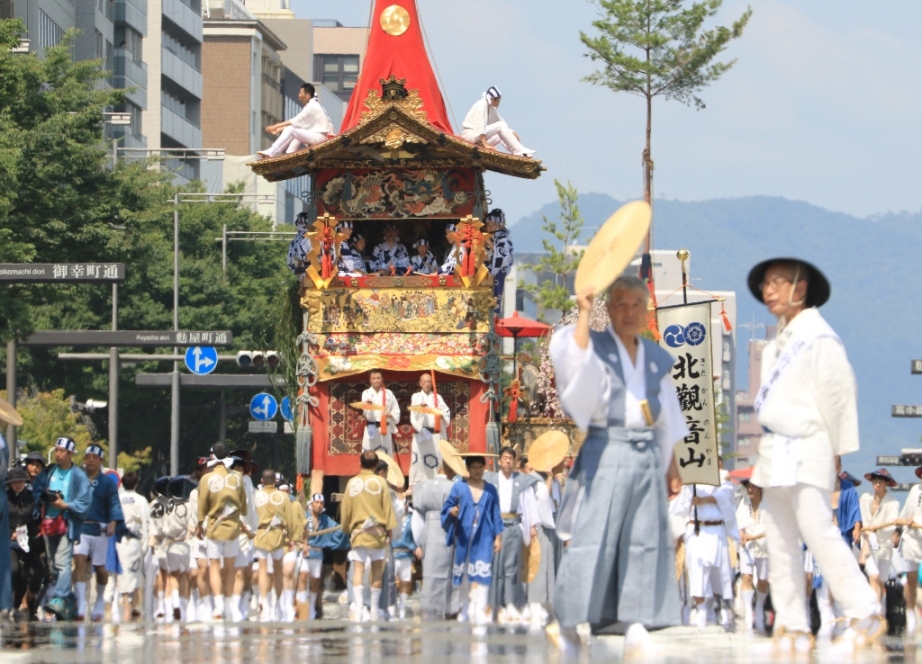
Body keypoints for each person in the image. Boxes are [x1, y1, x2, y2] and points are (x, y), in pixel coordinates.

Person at [746, 257, 883, 651]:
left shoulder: (819, 336)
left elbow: (840, 394)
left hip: (809, 444)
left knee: (818, 529)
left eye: (777, 283)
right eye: (766, 285)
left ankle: (864, 608)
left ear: (799, 289)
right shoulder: (776, 345)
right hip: (776, 449)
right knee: (779, 536)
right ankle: (791, 622)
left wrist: (836, 449)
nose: (768, 291)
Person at [547, 275, 687, 654]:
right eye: (620, 304)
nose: (628, 312)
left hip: (647, 453)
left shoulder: (655, 357)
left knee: (644, 537)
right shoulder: (595, 346)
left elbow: (666, 413)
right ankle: (570, 618)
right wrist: (583, 311)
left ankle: (637, 621)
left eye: (636, 305)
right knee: (593, 536)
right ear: (609, 309)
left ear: (646, 312)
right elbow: (572, 363)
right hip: (607, 448)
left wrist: (672, 462)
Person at [31, 436, 92, 621]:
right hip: (49, 523)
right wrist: (45, 497)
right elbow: (36, 490)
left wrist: (65, 505)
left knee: (62, 562)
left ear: (71, 453)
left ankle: (60, 597)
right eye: (56, 450)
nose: (57, 454)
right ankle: (69, 601)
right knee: (53, 565)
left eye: (62, 451)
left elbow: (85, 502)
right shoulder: (49, 471)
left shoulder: (79, 475)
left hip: (67, 523)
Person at [671, 473, 740, 631]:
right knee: (697, 570)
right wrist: (686, 491)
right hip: (696, 530)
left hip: (716, 529)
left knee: (717, 573)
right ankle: (700, 610)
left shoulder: (722, 476)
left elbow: (726, 495)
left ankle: (711, 607)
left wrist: (705, 500)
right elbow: (679, 507)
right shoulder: (688, 478)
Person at [441, 454, 503, 625]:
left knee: (482, 573)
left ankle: (480, 608)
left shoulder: (491, 489)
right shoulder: (459, 488)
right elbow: (447, 508)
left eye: (480, 467)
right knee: (464, 574)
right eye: (473, 467)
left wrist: (498, 536)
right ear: (467, 469)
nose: (477, 471)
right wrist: (452, 512)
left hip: (484, 534)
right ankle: (465, 607)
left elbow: (495, 513)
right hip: (464, 534)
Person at [484, 447, 540, 623]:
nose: (508, 461)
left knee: (511, 567)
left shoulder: (522, 482)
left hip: (514, 524)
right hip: (495, 524)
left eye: (511, 458)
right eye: (505, 458)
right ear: (499, 461)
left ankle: (510, 603)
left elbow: (529, 504)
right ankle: (493, 603)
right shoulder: (490, 480)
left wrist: (532, 525)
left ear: (515, 462)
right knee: (494, 565)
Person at [341, 450, 397, 622]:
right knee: (377, 572)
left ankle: (358, 608)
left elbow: (346, 510)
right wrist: (390, 532)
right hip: (377, 534)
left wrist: (346, 528)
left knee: (358, 570)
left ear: (360, 463)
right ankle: (373, 609)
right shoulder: (381, 483)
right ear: (375, 465)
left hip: (358, 534)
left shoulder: (352, 483)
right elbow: (387, 510)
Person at [195, 445, 249, 621]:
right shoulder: (238, 478)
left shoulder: (206, 479)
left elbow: (202, 505)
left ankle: (217, 606)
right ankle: (228, 604)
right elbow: (243, 505)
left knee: (215, 567)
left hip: (214, 527)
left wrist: (199, 524)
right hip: (232, 527)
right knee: (230, 568)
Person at [412, 441, 464, 620]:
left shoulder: (424, 487)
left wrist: (418, 542)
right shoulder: (454, 488)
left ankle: (429, 606)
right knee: (447, 569)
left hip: (428, 529)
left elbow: (416, 517)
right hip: (446, 528)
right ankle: (448, 607)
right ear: (450, 471)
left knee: (430, 570)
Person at [72, 444, 124, 621]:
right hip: (81, 528)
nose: (90, 460)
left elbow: (114, 504)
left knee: (100, 568)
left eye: (94, 457)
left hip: (100, 529)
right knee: (79, 561)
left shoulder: (108, 483)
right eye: (88, 457)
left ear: (101, 460)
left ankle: (100, 599)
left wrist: (114, 522)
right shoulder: (77, 478)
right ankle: (80, 604)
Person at [254, 468, 305, 622]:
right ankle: (276, 604)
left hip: (261, 534)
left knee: (263, 569)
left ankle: (266, 604)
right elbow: (290, 518)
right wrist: (293, 537)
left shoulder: (255, 495)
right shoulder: (283, 497)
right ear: (275, 481)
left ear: (262, 481)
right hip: (278, 534)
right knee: (278, 570)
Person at [258, 82, 334, 158]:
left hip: (319, 137)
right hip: (316, 135)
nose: (299, 96)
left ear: (307, 95)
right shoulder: (312, 106)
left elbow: (295, 121)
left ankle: (276, 152)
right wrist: (278, 129)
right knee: (292, 130)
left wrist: (275, 127)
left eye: (301, 93)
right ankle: (276, 152)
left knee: (291, 130)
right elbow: (299, 125)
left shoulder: (312, 107)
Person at [299, 493, 344, 620]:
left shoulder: (325, 520)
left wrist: (346, 526)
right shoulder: (304, 517)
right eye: (316, 503)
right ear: (311, 504)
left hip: (317, 553)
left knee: (315, 581)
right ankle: (303, 606)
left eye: (321, 503)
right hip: (305, 552)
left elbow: (337, 528)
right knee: (302, 577)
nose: (318, 505)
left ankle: (312, 607)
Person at [859, 469, 899, 608]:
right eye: (875, 482)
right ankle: (873, 611)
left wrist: (878, 528)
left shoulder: (893, 503)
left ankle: (879, 609)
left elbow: (891, 526)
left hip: (884, 545)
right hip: (869, 543)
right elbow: (861, 518)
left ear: (886, 483)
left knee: (881, 581)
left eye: (880, 482)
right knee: (873, 576)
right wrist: (867, 531)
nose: (877, 485)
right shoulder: (865, 498)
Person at [7, 466, 42, 620]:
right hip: (8, 541)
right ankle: (7, 604)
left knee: (27, 574)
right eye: (14, 481)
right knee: (14, 570)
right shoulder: (4, 497)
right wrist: (9, 533)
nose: (17, 484)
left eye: (21, 481)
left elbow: (36, 518)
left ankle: (16, 605)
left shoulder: (31, 496)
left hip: (28, 541)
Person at [461, 86, 535, 157]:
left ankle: (516, 151)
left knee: (500, 134)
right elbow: (479, 128)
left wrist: (511, 132)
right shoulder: (481, 105)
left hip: (478, 139)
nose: (499, 103)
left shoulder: (491, 108)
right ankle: (519, 150)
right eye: (498, 100)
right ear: (493, 99)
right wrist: (486, 145)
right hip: (470, 135)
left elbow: (500, 121)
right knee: (500, 125)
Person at [114, 471, 148, 623]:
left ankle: (126, 603)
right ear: (136, 484)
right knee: (134, 574)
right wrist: (146, 543)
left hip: (118, 540)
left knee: (122, 574)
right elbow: (146, 522)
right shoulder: (141, 500)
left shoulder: (117, 499)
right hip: (134, 540)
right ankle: (131, 605)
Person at [736, 480, 769, 632]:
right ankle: (749, 612)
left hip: (764, 547)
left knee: (763, 580)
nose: (749, 489)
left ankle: (760, 607)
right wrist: (742, 533)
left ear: (760, 489)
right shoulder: (743, 503)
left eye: (752, 487)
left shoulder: (768, 505)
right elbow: (739, 524)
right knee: (746, 578)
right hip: (747, 547)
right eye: (748, 487)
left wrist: (752, 537)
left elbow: (770, 529)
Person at [409, 372, 451, 486]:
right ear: (420, 383)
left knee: (436, 459)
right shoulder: (416, 396)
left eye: (429, 382)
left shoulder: (438, 398)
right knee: (419, 461)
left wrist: (441, 414)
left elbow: (446, 411)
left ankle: (436, 484)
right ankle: (417, 485)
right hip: (422, 433)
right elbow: (414, 413)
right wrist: (421, 408)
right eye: (425, 382)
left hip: (435, 434)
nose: (427, 384)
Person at [895, 466, 922, 636]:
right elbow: (905, 513)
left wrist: (917, 519)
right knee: (910, 578)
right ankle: (910, 612)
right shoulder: (914, 490)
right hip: (912, 538)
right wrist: (898, 529)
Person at [361, 369, 400, 455]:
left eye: (378, 378)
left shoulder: (389, 393)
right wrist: (369, 407)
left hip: (384, 427)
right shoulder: (366, 393)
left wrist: (390, 415)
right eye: (373, 378)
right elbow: (367, 414)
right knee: (370, 454)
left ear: (382, 379)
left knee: (385, 454)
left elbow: (396, 410)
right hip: (371, 426)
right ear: (370, 380)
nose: (376, 380)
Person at [484, 209, 514, 308]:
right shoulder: (492, 237)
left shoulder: (504, 238)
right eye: (487, 225)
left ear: (499, 224)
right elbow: (488, 256)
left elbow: (502, 256)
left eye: (491, 225)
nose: (489, 227)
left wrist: (489, 243)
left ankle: (495, 302)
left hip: (500, 270)